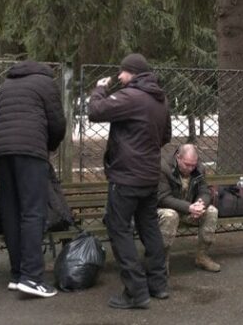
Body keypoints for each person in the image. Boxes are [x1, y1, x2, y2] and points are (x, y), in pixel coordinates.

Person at [88, 53, 171, 309]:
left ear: (132, 72)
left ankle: (136, 291)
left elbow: (95, 111)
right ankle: (158, 285)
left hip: (126, 177)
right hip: (149, 176)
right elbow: (165, 136)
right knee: (149, 228)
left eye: (122, 72)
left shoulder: (131, 96)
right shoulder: (160, 99)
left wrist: (99, 89)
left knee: (119, 228)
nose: (119, 76)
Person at [0, 60, 66, 298]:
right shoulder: (46, 83)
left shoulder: (5, 85)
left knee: (10, 211)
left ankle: (17, 274)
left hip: (2, 153)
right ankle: (32, 278)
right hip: (30, 152)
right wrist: (48, 146)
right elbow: (57, 122)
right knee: (33, 212)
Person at [157, 144, 221, 272]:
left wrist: (200, 205)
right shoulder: (163, 167)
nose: (191, 168)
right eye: (187, 164)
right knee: (170, 215)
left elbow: (204, 191)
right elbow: (163, 198)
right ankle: (161, 262)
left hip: (188, 209)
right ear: (178, 157)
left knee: (211, 211)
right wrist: (189, 207)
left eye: (193, 164)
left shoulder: (199, 168)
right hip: (163, 209)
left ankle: (202, 257)